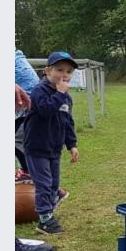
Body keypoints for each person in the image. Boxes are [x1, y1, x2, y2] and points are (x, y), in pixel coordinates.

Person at [24, 51, 80, 234]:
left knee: (54, 184)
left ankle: (47, 210)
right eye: (59, 70)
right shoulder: (39, 91)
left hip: (54, 148)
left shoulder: (66, 98)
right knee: (44, 183)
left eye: (69, 72)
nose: (64, 75)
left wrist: (72, 144)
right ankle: (45, 220)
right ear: (48, 71)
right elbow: (46, 110)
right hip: (37, 147)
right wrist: (60, 93)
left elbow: (67, 122)